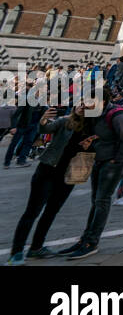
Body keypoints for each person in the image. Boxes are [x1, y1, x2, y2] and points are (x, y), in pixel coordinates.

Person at [8, 105, 89, 264]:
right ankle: (16, 252)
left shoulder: (92, 128)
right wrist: (43, 118)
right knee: (32, 212)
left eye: (87, 104)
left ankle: (36, 248)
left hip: (70, 174)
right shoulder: (65, 121)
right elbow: (45, 128)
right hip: (48, 171)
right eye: (80, 103)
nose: (82, 106)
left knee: (51, 212)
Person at [60, 99, 123, 259]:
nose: (86, 104)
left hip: (112, 163)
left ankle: (91, 242)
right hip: (99, 160)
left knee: (102, 200)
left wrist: (117, 160)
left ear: (101, 100)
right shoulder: (94, 115)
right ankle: (85, 238)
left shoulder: (117, 114)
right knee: (96, 200)